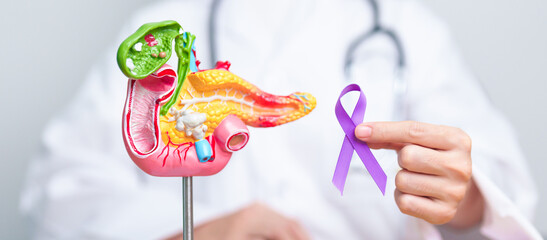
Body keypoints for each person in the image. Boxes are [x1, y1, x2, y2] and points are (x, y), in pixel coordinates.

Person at [21, 0, 541, 239]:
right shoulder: (163, 30)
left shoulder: (409, 28)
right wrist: (195, 231)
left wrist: (465, 195)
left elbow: (505, 191)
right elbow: (57, 194)